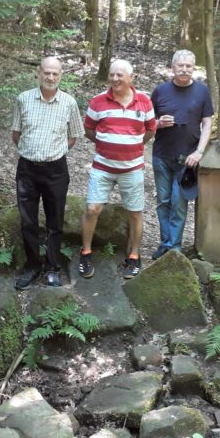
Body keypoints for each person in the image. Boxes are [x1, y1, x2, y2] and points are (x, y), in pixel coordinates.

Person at [11, 57, 85, 289]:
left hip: (56, 170)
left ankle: (52, 267)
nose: (50, 77)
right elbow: (16, 133)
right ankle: (33, 265)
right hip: (27, 170)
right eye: (47, 73)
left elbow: (73, 136)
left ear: (61, 75)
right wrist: (33, 151)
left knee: (55, 221)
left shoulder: (69, 103)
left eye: (55, 73)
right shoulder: (23, 99)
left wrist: (55, 151)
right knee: (28, 221)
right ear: (39, 73)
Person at [79, 59, 156, 280]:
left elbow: (150, 129)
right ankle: (85, 252)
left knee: (134, 213)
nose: (115, 79)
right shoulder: (97, 102)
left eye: (120, 75)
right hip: (102, 167)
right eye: (112, 75)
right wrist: (106, 144)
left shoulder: (144, 102)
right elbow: (89, 129)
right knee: (92, 209)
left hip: (132, 168)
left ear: (131, 78)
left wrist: (134, 146)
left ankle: (134, 255)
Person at [149, 49, 213, 259]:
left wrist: (199, 151)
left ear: (193, 68)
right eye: (180, 66)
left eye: (188, 66)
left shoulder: (202, 91)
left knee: (179, 203)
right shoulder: (160, 91)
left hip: (187, 160)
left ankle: (174, 248)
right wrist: (159, 123)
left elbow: (207, 122)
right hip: (161, 156)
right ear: (172, 67)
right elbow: (147, 123)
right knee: (163, 202)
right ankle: (166, 243)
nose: (184, 70)